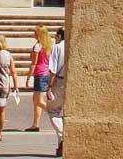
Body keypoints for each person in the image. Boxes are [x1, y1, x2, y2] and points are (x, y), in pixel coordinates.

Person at [25, 26, 52, 131]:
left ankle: (56, 115)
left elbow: (34, 63)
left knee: (39, 101)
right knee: (35, 100)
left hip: (40, 74)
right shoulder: (48, 46)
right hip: (46, 73)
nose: (34, 34)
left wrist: (28, 77)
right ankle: (35, 124)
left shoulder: (37, 46)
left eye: (35, 33)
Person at [47, 27, 66, 157]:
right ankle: (61, 145)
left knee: (53, 111)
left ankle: (63, 135)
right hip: (73, 81)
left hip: (59, 82)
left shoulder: (57, 47)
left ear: (59, 36)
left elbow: (53, 70)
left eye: (55, 35)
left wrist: (49, 87)